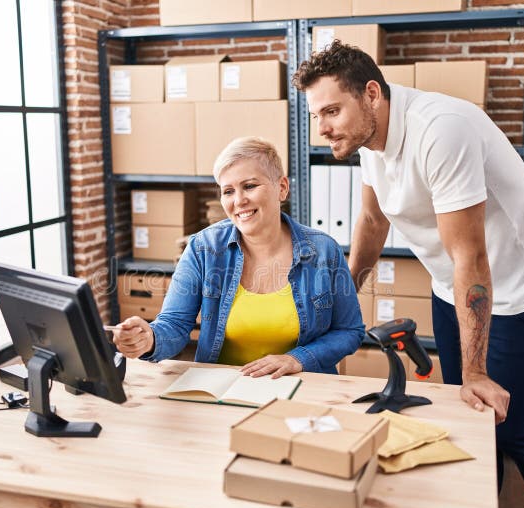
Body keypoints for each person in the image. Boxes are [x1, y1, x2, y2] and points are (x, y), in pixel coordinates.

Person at [293, 41, 524, 508]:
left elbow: (472, 256)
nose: (322, 128)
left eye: (331, 111)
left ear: (371, 94)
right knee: (470, 413)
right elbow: (372, 221)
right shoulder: (370, 137)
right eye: (317, 115)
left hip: (515, 283)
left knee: (508, 420)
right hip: (452, 284)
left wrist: (476, 371)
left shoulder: (441, 131)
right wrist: (344, 297)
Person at [113, 136, 364, 378]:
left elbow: (349, 330)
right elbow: (175, 324)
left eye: (250, 186)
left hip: (301, 386)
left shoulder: (323, 251)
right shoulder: (204, 249)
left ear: (282, 188)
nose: (239, 201)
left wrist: (298, 359)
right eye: (228, 191)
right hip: (223, 390)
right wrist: (148, 339)